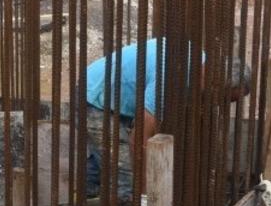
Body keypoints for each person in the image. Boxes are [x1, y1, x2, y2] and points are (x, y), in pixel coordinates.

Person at [83, 37, 251, 197]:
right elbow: (140, 137)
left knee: (108, 160)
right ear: (216, 83)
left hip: (114, 99)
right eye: (226, 99)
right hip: (95, 99)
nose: (222, 105)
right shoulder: (173, 74)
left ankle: (85, 200)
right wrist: (144, 195)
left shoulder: (198, 64)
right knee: (126, 178)